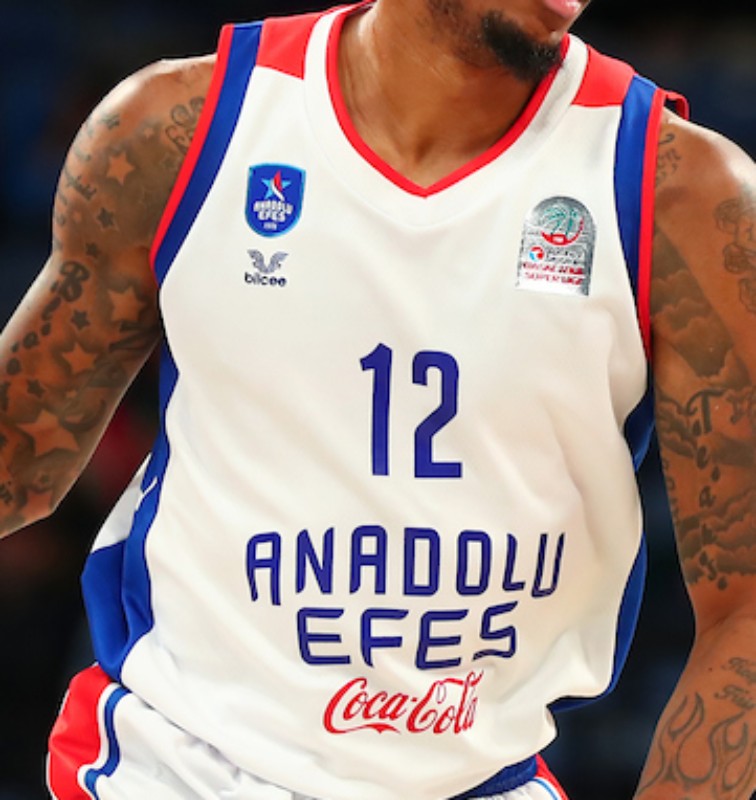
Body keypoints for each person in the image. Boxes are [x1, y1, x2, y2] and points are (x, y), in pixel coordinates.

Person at [0, 0, 754, 798]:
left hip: (474, 778)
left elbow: (744, 610)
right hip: (171, 767)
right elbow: (18, 457)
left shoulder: (689, 200)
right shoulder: (180, 131)